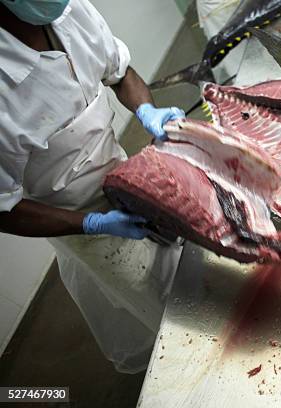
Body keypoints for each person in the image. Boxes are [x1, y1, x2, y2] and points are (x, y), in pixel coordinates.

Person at [0, 0, 186, 372]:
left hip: (123, 175)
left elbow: (121, 74)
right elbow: (4, 209)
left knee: (186, 263)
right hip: (72, 220)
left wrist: (147, 110)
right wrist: (91, 223)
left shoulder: (68, 11)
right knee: (168, 311)